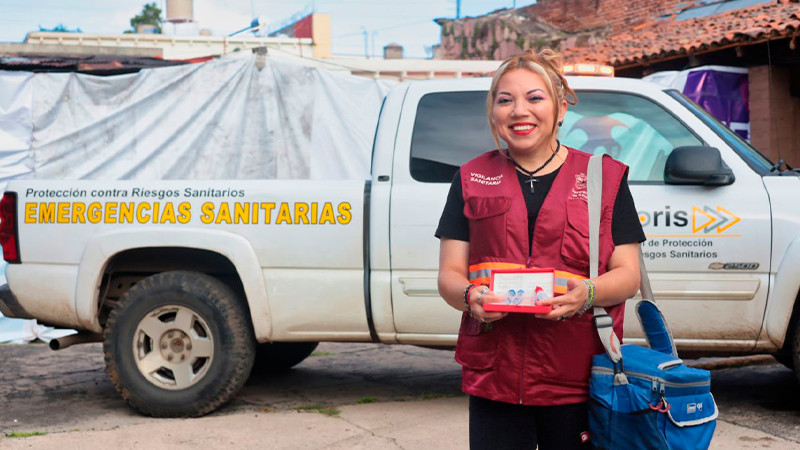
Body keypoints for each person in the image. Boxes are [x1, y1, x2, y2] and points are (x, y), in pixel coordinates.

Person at [436, 49, 646, 449]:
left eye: (534, 98)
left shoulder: (604, 178)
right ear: (493, 111)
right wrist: (470, 296)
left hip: (577, 377)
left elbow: (628, 275)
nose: (519, 111)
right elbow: (449, 274)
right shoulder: (470, 178)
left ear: (561, 107)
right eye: (505, 99)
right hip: (494, 377)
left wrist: (588, 293)